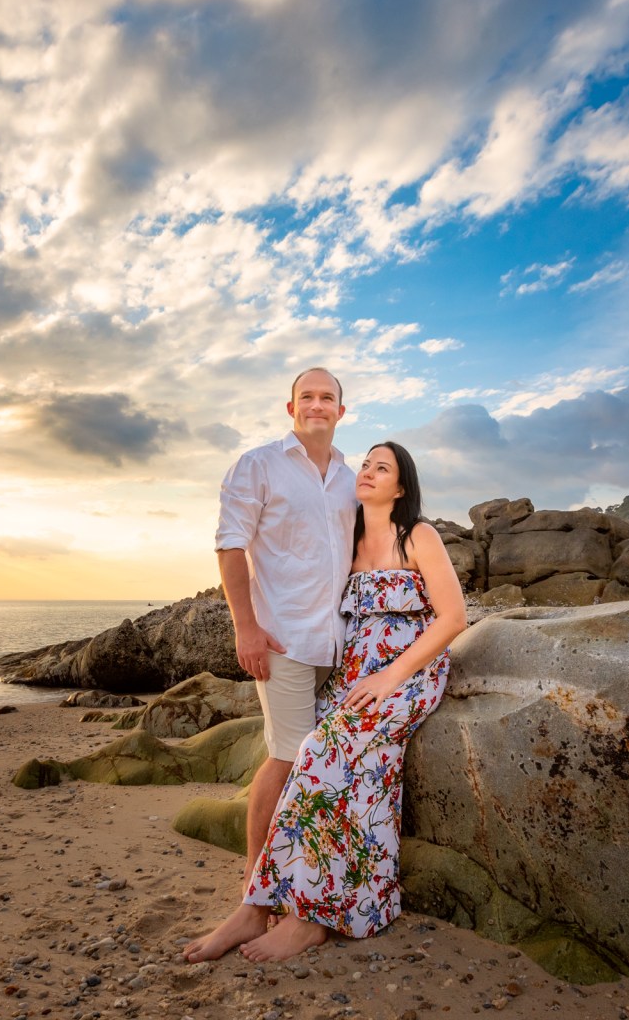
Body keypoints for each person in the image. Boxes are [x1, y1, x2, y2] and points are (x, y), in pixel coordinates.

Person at [199, 441, 468, 962]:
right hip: (354, 675)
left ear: (402, 486)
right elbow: (281, 562)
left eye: (381, 467)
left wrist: (392, 675)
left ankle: (309, 919)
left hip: (406, 673)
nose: (367, 472)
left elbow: (454, 617)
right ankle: (268, 902)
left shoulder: (418, 535)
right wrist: (256, 626)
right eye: (365, 464)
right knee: (322, 760)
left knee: (324, 750)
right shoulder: (347, 541)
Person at [183, 367, 359, 962]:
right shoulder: (258, 464)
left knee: (324, 766)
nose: (317, 405)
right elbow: (230, 544)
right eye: (307, 396)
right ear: (291, 407)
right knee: (285, 760)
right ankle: (253, 904)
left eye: (326, 397)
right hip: (281, 640)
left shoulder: (348, 479)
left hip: (338, 643)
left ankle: (301, 891)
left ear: (342, 409)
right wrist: (246, 628)